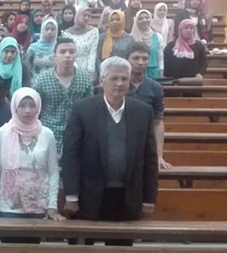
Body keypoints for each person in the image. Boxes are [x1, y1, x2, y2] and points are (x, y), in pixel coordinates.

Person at [62, 57, 158, 240]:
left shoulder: (143, 111)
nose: (120, 83)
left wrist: (149, 199)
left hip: (127, 196)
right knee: (84, 251)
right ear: (101, 81)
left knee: (121, 252)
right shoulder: (82, 109)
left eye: (124, 79)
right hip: (89, 195)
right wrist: (71, 196)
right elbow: (70, 155)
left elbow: (150, 158)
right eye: (114, 78)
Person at [0, 87, 62, 220]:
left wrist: (52, 205)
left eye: (32, 105)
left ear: (38, 107)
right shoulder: (3, 132)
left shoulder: (47, 134)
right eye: (22, 105)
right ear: (15, 107)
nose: (27, 110)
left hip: (39, 204)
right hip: (8, 205)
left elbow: (53, 172)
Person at [32, 37, 94, 156]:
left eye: (71, 52)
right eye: (62, 52)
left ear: (76, 55)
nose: (67, 55)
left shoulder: (85, 79)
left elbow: (89, 111)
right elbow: (35, 111)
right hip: (48, 136)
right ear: (54, 56)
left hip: (77, 137)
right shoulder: (42, 80)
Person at [125, 43, 172, 169]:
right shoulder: (118, 85)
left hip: (145, 140)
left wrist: (159, 155)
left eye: (145, 59)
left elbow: (158, 122)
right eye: (136, 58)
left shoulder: (155, 88)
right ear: (126, 59)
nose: (141, 62)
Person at [0, 37, 31, 102]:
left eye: (13, 52)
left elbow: (27, 89)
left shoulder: (23, 68)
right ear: (1, 52)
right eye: (6, 51)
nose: (9, 55)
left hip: (17, 102)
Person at [64, 6, 99, 81]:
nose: (86, 18)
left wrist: (90, 71)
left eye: (89, 16)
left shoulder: (94, 31)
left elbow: (93, 52)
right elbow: (69, 52)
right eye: (84, 15)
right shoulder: (67, 33)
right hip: (73, 66)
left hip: (89, 67)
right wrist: (76, 70)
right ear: (78, 15)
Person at [130, 9, 165, 79]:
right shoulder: (131, 37)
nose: (144, 20)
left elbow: (160, 57)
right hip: (136, 73)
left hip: (154, 73)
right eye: (140, 18)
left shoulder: (158, 37)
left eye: (147, 17)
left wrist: (161, 73)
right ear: (136, 21)